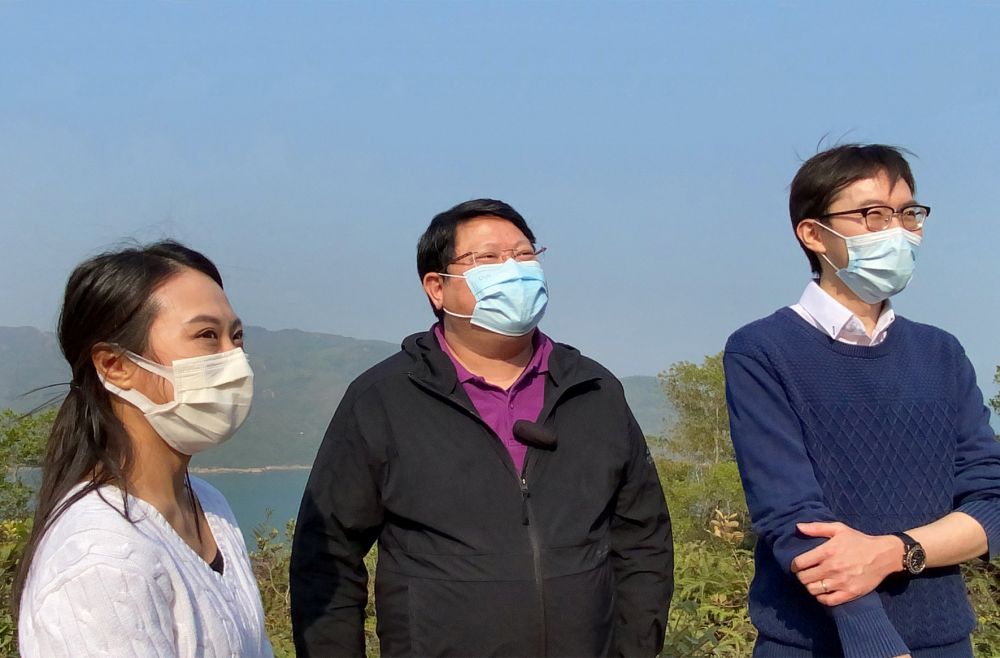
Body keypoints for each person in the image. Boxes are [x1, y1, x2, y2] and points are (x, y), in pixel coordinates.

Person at [290, 198, 673, 657]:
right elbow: (327, 556)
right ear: (437, 287)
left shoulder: (592, 390)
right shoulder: (384, 398)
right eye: (487, 258)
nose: (513, 269)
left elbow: (643, 538)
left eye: (525, 254)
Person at [724, 144, 1000, 657]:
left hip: (943, 642)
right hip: (813, 644)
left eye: (908, 213)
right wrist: (874, 639)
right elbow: (793, 519)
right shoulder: (762, 350)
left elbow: (991, 504)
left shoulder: (940, 353)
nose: (896, 230)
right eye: (872, 213)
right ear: (813, 234)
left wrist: (897, 552)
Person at [15, 241, 273, 658]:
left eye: (236, 336)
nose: (235, 360)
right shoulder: (101, 560)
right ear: (115, 366)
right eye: (207, 336)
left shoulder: (208, 506)